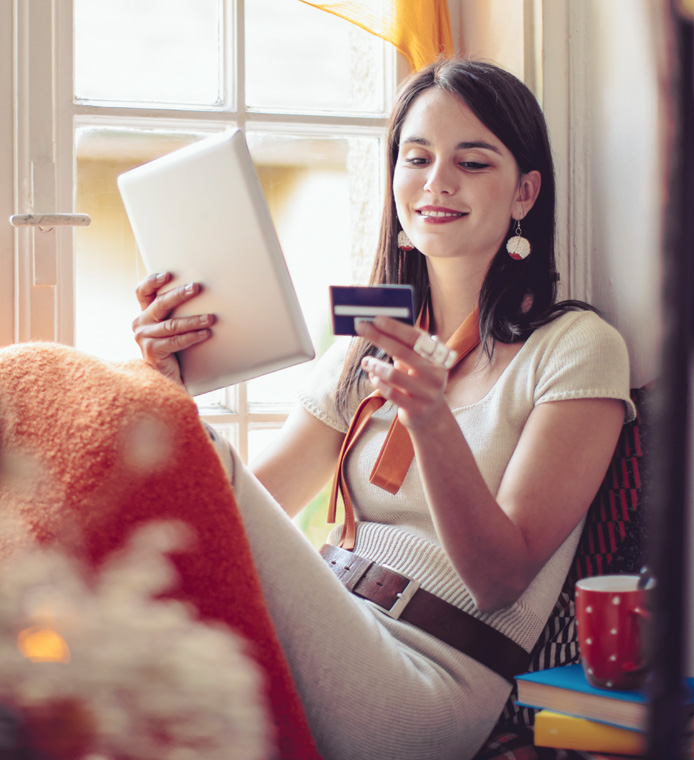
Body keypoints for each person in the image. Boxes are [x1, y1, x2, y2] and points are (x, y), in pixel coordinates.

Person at [131, 58, 634, 760]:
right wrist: (166, 388)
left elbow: (498, 578)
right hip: (339, 615)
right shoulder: (369, 341)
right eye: (417, 157)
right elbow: (249, 504)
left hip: (431, 675)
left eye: (473, 161)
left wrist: (431, 419)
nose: (437, 181)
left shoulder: (578, 346)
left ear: (525, 192)